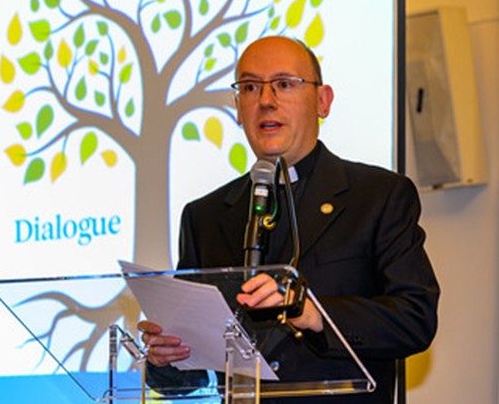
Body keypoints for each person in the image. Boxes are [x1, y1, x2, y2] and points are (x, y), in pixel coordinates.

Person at [137, 36, 440, 403]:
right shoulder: (206, 216)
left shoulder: (377, 196)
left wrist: (312, 312)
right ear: (237, 106)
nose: (266, 101)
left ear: (322, 101)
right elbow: (187, 377)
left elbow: (415, 319)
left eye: (284, 84)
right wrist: (166, 358)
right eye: (250, 87)